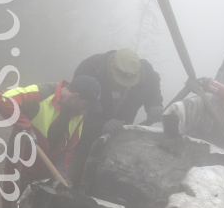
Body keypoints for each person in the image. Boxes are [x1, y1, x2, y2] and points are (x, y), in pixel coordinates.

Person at [0, 76, 102, 203]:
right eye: (85, 105)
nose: (85, 109)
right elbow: (3, 99)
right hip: (20, 164)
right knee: (11, 207)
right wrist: (27, 128)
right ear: (75, 96)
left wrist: (61, 175)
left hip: (46, 171)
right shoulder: (42, 92)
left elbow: (68, 148)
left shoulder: (79, 114)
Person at [69, 49, 164, 188]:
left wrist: (155, 104)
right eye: (120, 80)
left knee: (105, 181)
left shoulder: (146, 73)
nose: (124, 84)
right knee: (76, 177)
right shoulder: (89, 68)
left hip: (117, 141)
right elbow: (75, 107)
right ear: (111, 66)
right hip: (83, 138)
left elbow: (153, 89)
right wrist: (100, 125)